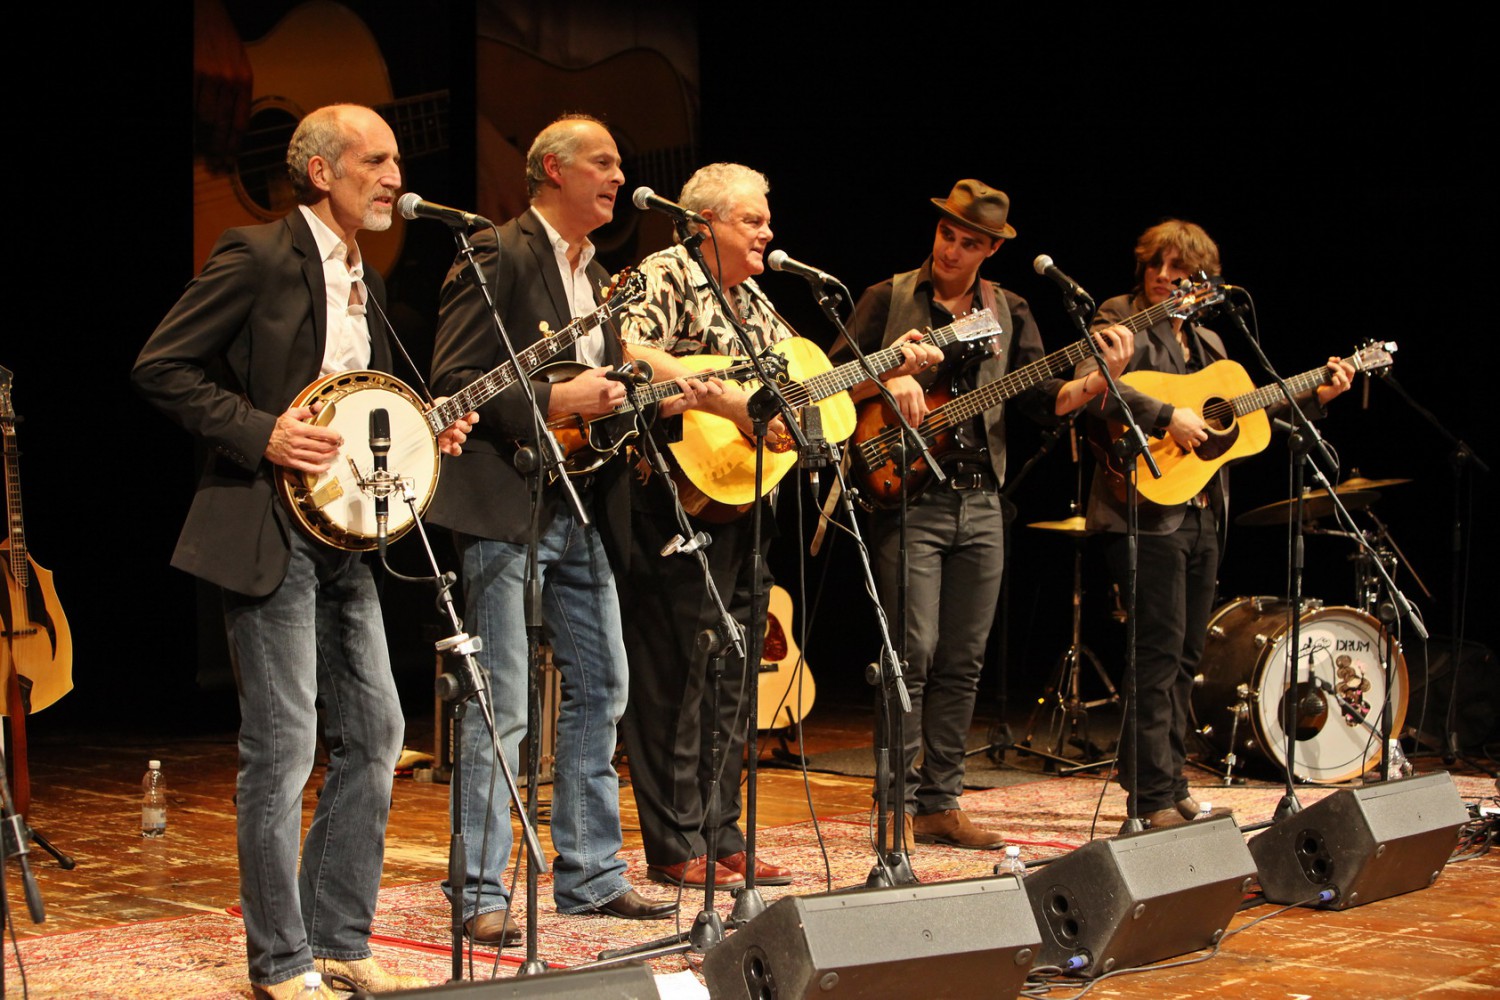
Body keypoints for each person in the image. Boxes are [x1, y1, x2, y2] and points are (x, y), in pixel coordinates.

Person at [133, 104, 474, 1000]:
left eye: (397, 161)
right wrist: (262, 432)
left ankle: (338, 936)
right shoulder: (257, 254)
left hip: (343, 538)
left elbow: (361, 407)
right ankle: (280, 959)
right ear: (321, 171)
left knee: (379, 733)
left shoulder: (372, 281)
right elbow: (161, 366)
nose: (396, 177)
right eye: (377, 160)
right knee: (283, 747)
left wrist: (422, 434)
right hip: (264, 527)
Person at [426, 115, 677, 943]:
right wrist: (555, 400)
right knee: (500, 703)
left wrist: (645, 399)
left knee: (604, 688)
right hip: (504, 504)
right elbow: (455, 381)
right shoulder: (496, 251)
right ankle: (478, 891)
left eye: (618, 163)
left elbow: (596, 397)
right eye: (603, 162)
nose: (618, 176)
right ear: (552, 171)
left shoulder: (598, 274)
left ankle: (592, 874)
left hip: (582, 505)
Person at [839, 180, 1132, 849]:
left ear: (991, 250)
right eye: (947, 234)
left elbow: (1039, 398)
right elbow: (828, 380)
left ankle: (939, 804)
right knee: (911, 652)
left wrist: (1096, 382)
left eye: (969, 243)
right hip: (907, 494)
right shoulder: (887, 297)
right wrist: (888, 374)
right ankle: (895, 805)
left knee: (963, 660)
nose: (952, 249)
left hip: (981, 500)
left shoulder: (1012, 309)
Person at [1076, 219, 1353, 830]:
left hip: (1203, 513)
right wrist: (1166, 415)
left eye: (1180, 271)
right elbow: (1094, 390)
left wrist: (1315, 398)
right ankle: (1149, 800)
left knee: (1184, 656)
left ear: (1204, 282)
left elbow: (1247, 423)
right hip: (1141, 508)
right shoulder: (1118, 318)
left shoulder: (1212, 346)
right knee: (1155, 654)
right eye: (1157, 265)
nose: (1165, 278)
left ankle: (1167, 785)